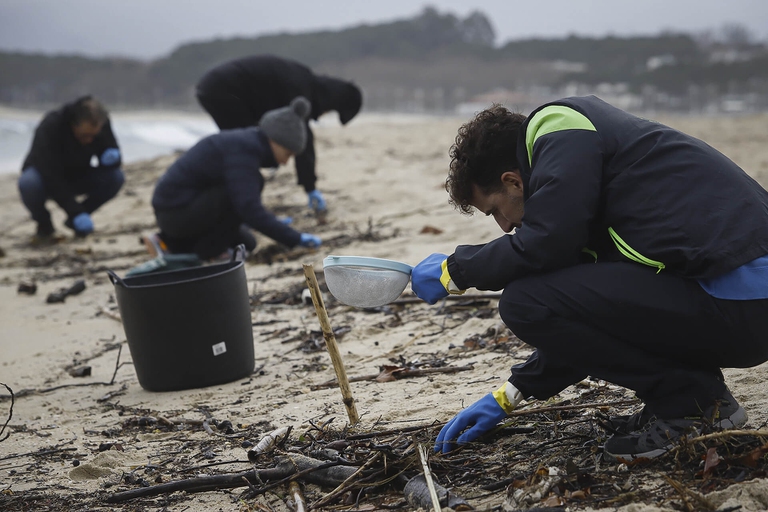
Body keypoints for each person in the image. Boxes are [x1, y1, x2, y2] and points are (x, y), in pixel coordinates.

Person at [410, 95, 768, 461]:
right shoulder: (590, 184)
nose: (505, 227)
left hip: (743, 298)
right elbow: (589, 316)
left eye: (494, 212)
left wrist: (456, 270)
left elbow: (545, 243)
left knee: (522, 301)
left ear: (513, 182)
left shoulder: (559, 128)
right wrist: (507, 396)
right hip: (741, 307)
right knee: (539, 297)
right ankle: (701, 401)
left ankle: (693, 407)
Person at [148, 96, 322, 264]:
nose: (285, 162)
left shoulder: (246, 143)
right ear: (275, 141)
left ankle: (168, 243)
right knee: (240, 197)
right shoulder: (243, 152)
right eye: (287, 154)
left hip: (182, 209)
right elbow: (247, 208)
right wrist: (295, 238)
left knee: (247, 243)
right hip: (174, 213)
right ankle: (201, 253)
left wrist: (271, 223)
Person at [195, 55, 363, 214]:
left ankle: (234, 205)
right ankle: (237, 209)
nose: (323, 115)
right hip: (222, 88)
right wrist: (310, 187)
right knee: (242, 152)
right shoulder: (299, 86)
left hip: (215, 86)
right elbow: (303, 139)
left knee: (243, 150)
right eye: (329, 111)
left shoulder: (302, 80)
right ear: (331, 101)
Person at [18, 96, 124, 241]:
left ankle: (76, 220)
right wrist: (75, 211)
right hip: (45, 177)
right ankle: (44, 224)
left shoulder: (101, 123)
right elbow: (50, 175)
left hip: (79, 174)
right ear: (73, 124)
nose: (89, 141)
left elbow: (110, 152)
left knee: (116, 177)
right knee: (28, 184)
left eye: (94, 136)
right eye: (84, 136)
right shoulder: (51, 125)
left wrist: (112, 158)